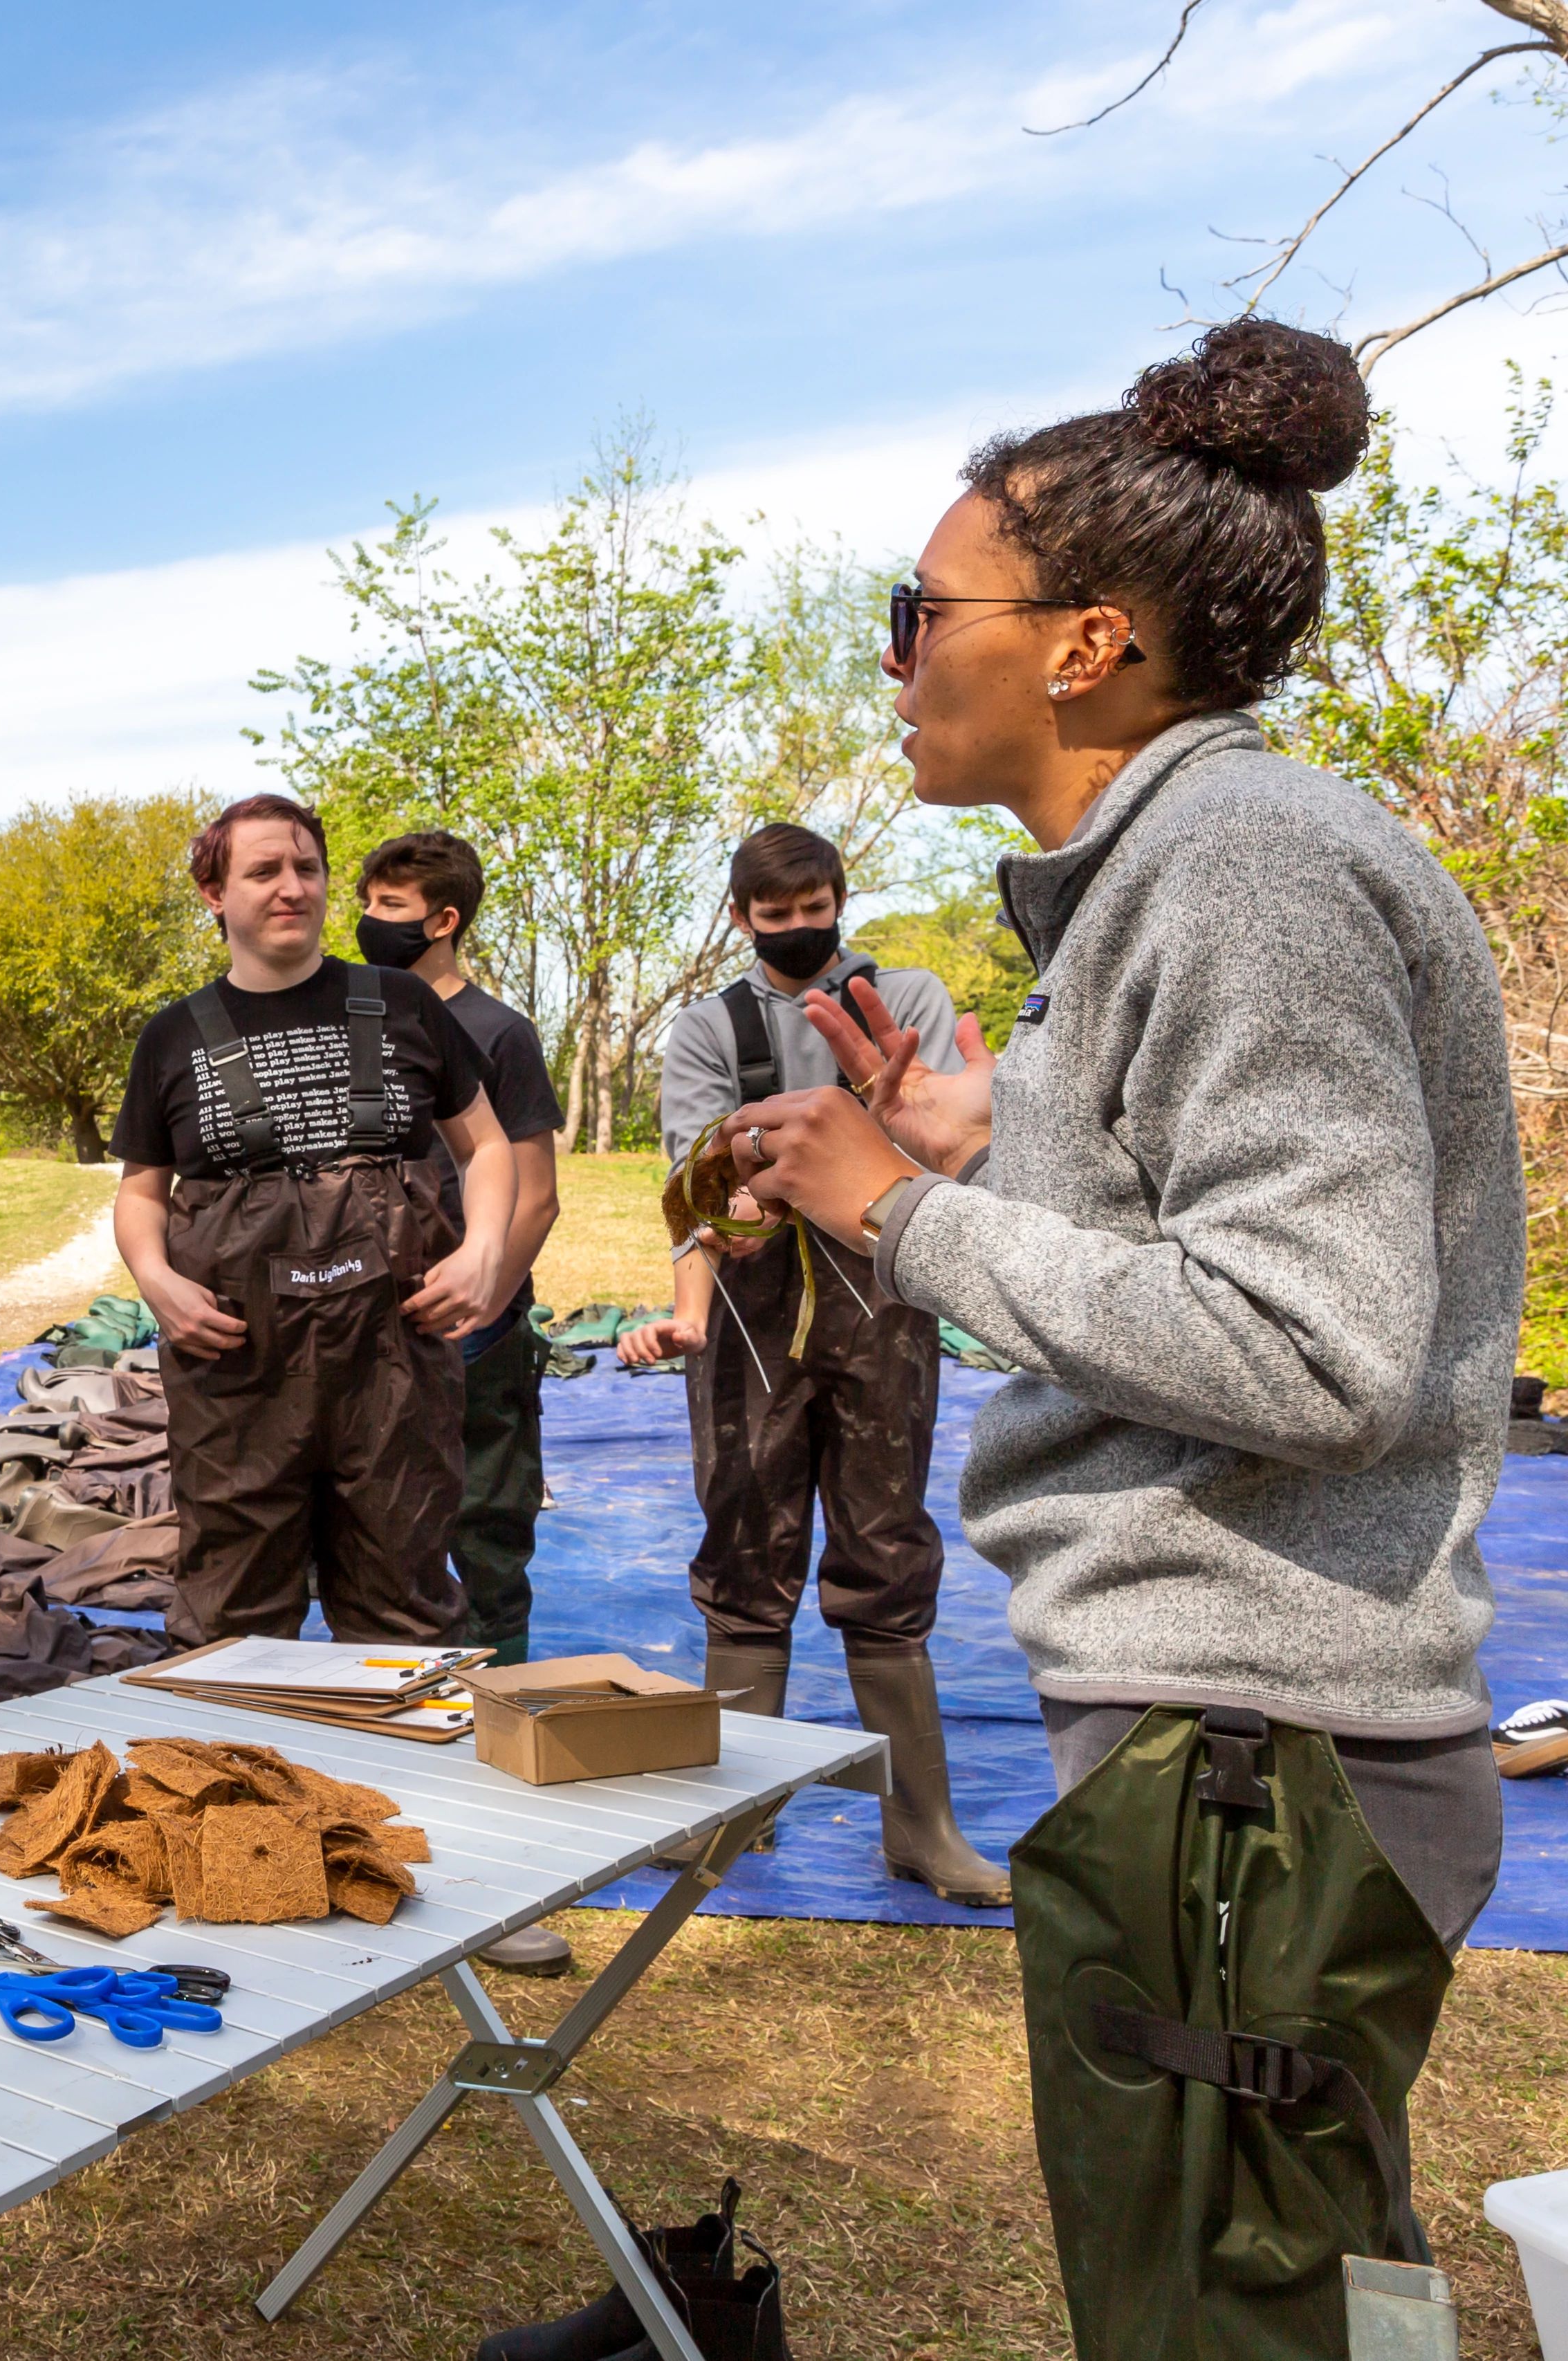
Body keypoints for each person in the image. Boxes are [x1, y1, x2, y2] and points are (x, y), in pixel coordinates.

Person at [726, 321, 1514, 2354]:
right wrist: (985, 1146)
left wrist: (896, 1215)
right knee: (1290, 2296)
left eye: (918, 610)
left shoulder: (1238, 871)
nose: (889, 653)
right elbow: (1203, 1250)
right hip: (1216, 1748)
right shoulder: (1170, 874)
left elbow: (1307, 1346)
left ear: (1080, 647)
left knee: (1238, 2324)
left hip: (1253, 1763)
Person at [616, 824, 1005, 1907]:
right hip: (752, 1308)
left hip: (885, 1290)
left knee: (886, 1548)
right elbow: (700, 1178)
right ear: (741, 919)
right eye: (775, 915)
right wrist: (753, 1177)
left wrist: (766, 1152)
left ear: (841, 898)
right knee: (746, 1540)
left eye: (813, 907)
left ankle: (921, 1829)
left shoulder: (910, 994)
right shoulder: (705, 1026)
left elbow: (927, 1142)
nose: (798, 929)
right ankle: (731, 1821)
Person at [112, 795, 519, 1649]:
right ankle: (230, 1780)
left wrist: (484, 1252)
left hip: (393, 1365)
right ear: (213, 892)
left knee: (404, 1611)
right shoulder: (173, 1036)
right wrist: (156, 1283)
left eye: (306, 867)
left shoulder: (402, 1003)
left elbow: (485, 1147)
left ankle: (397, 1784)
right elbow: (141, 1192)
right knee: (229, 1617)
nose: (290, 886)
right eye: (262, 870)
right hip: (236, 1372)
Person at [356, 829, 575, 1979]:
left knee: (486, 1563)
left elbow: (532, 1191)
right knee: (376, 1577)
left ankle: (502, 1864)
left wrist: (482, 1297)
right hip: (360, 1352)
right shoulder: (346, 1022)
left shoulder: (496, 1031)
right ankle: (371, 1839)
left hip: (474, 1347)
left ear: (442, 919)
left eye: (389, 903)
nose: (367, 919)